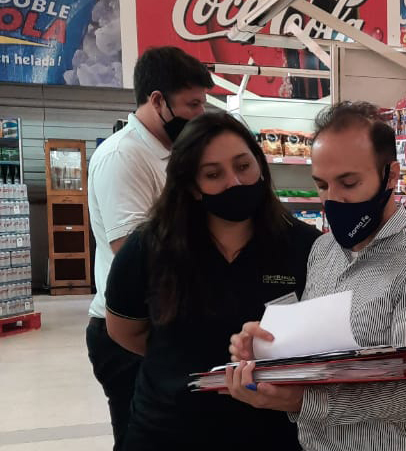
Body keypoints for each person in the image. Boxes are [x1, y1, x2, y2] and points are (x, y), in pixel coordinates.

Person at [226, 101, 406, 451]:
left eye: (349, 183)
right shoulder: (323, 250)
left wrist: (302, 401)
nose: (333, 199)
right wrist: (266, 350)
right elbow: (314, 350)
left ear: (391, 175)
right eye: (322, 185)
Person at [104, 112, 320, 450]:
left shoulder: (305, 246)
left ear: (260, 165)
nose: (234, 182)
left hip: (270, 432)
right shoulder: (150, 247)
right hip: (167, 430)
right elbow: (124, 330)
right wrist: (181, 356)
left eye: (243, 166)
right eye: (213, 174)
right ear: (192, 186)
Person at [86, 46, 210, 449]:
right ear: (158, 101)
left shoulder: (170, 153)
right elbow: (132, 253)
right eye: (192, 104)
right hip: (127, 329)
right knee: (142, 438)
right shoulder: (123, 156)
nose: (200, 115)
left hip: (164, 320)